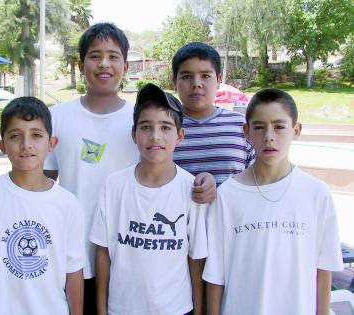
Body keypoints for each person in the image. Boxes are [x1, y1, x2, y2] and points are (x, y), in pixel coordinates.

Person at [44, 23, 215, 313]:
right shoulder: (56, 118)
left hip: (132, 262)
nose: (104, 64)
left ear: (125, 64)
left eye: (113, 56)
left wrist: (206, 180)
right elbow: (41, 187)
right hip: (71, 259)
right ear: (81, 62)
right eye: (95, 56)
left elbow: (170, 173)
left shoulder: (139, 117)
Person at [203, 88, 344, 315]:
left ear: (296, 130)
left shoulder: (316, 194)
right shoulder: (227, 195)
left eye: (279, 126)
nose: (269, 136)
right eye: (259, 127)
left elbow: (324, 268)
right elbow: (215, 274)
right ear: (246, 131)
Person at [0, 97, 85, 315]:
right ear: (2, 145)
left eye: (36, 135)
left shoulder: (67, 204)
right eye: (15, 136)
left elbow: (74, 271)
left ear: (51, 143)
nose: (26, 145)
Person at [90, 83, 208, 315]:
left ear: (180, 135)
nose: (155, 136)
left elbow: (196, 258)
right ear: (134, 134)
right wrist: (101, 310)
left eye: (165, 127)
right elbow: (102, 252)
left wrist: (199, 309)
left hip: (176, 308)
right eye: (145, 127)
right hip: (121, 308)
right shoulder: (114, 185)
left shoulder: (190, 188)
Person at [172, 42, 255, 187]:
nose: (196, 84)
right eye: (186, 77)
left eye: (205, 75)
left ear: (218, 80)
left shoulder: (241, 126)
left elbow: (256, 180)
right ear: (174, 82)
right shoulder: (164, 127)